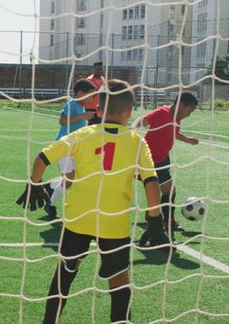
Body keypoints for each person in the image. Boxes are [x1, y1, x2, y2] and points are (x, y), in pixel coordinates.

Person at [16, 79, 170, 323]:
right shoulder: (137, 141)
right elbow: (151, 183)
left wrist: (35, 184)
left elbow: (42, 157)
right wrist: (154, 220)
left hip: (78, 219)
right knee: (119, 281)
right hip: (114, 224)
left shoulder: (82, 134)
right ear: (129, 112)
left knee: (64, 275)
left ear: (98, 109)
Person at [132, 92, 199, 232]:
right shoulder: (162, 112)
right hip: (148, 159)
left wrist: (188, 140)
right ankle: (162, 217)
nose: (189, 114)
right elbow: (143, 120)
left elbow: (174, 132)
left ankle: (161, 217)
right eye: (189, 110)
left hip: (162, 159)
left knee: (166, 189)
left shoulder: (177, 118)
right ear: (181, 105)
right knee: (166, 189)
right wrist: (131, 130)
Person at [44, 79, 97, 220]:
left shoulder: (82, 107)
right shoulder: (72, 104)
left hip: (75, 148)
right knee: (69, 180)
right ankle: (50, 204)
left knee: (74, 177)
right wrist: (83, 116)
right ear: (80, 93)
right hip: (63, 147)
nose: (93, 99)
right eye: (91, 95)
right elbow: (62, 120)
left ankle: (50, 186)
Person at [86, 60, 106, 125]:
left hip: (100, 108)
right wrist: (99, 90)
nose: (100, 71)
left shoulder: (103, 79)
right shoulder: (89, 80)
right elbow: (88, 97)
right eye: (98, 69)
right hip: (90, 109)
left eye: (101, 69)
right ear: (94, 69)